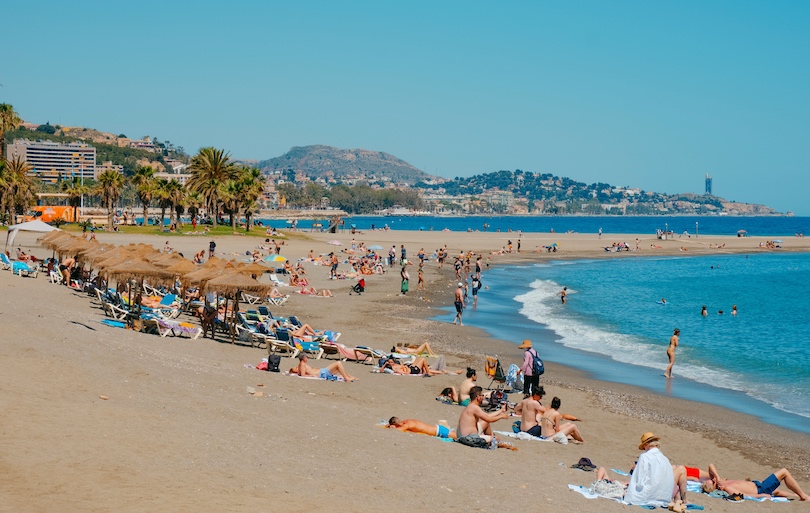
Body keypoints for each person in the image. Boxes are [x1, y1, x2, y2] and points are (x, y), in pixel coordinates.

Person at [593, 432, 678, 506]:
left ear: (646, 445)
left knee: (629, 494)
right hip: (664, 496)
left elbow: (640, 480)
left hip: (649, 495)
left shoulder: (645, 456)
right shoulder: (665, 459)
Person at [702, 463, 809, 501]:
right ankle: (803, 496)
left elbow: (711, 465)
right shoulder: (727, 488)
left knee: (777, 492)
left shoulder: (720, 481)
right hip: (760, 489)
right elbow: (742, 495)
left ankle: (794, 495)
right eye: (712, 481)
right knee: (784, 472)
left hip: (757, 484)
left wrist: (717, 476)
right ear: (714, 486)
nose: (712, 479)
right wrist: (761, 495)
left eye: (711, 479)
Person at [290, 354, 358, 382]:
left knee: (338, 368)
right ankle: (347, 378)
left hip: (322, 372)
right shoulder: (302, 365)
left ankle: (350, 377)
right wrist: (312, 375)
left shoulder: (302, 364)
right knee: (338, 363)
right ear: (304, 358)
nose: (307, 359)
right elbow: (302, 375)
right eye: (306, 357)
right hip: (322, 373)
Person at [387, 417, 456, 439]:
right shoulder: (407, 421)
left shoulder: (407, 425)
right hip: (438, 428)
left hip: (439, 432)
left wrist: (392, 427)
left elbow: (399, 430)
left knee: (460, 437)